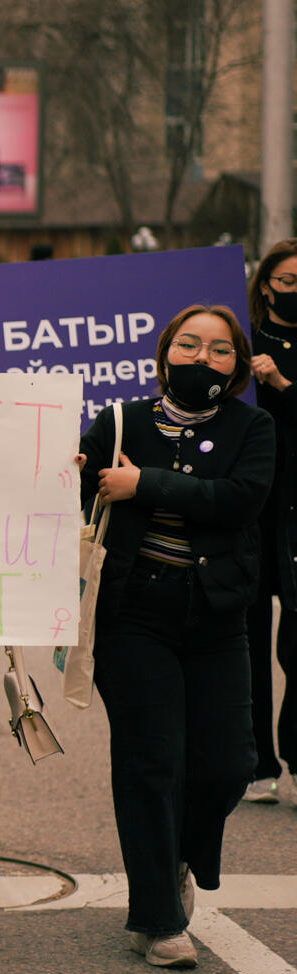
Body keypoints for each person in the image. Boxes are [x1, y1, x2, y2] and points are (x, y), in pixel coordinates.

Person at [79, 304, 271, 968]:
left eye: (219, 350)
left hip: (218, 617)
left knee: (229, 765)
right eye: (188, 345)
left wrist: (145, 484)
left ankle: (178, 855)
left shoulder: (255, 426)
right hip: (135, 612)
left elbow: (240, 498)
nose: (201, 358)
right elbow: (81, 497)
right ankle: (158, 917)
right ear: (164, 356)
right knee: (150, 761)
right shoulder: (121, 421)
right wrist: (75, 468)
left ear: (239, 367)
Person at [244, 238, 297, 804]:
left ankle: (296, 753)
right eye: (286, 281)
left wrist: (283, 385)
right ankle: (257, 761)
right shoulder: (245, 346)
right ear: (265, 286)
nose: (294, 291)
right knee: (248, 644)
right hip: (252, 515)